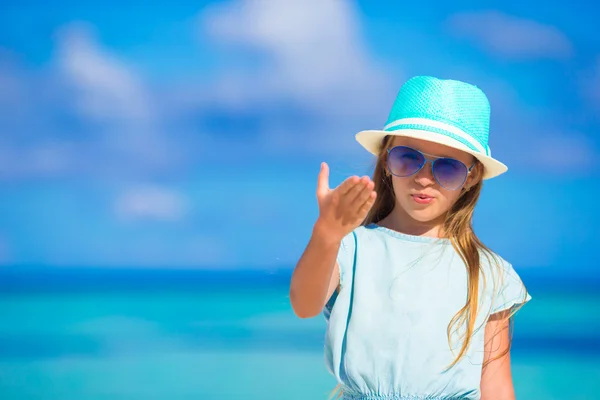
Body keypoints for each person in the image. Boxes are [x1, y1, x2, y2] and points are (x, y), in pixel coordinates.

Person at [289, 75, 532, 400]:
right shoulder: (352, 247)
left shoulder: (489, 273)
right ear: (386, 160)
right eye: (409, 158)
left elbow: (497, 388)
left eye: (447, 168)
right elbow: (305, 305)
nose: (424, 179)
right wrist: (327, 233)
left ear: (471, 177)